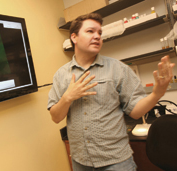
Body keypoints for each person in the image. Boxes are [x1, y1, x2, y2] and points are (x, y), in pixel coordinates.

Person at [47, 13, 175, 171]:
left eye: (99, 33)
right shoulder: (61, 75)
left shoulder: (118, 69)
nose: (97, 36)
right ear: (74, 37)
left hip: (116, 162)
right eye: (90, 31)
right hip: (80, 162)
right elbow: (55, 117)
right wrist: (67, 97)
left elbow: (135, 112)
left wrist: (157, 93)